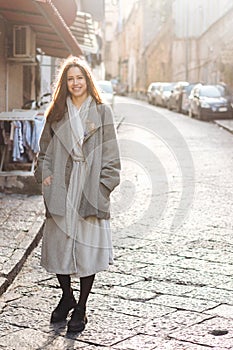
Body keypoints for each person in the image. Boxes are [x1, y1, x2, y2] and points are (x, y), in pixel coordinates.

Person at [35, 56, 121, 333]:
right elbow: (44, 152)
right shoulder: (55, 113)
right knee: (59, 245)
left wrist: (102, 188)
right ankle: (66, 296)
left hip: (90, 187)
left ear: (87, 80)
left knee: (87, 249)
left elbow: (112, 156)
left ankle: (81, 307)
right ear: (65, 83)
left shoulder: (102, 111)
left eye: (80, 78)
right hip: (60, 186)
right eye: (70, 78)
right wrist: (45, 177)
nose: (75, 83)